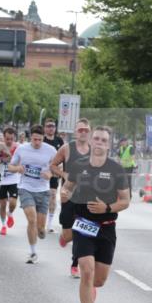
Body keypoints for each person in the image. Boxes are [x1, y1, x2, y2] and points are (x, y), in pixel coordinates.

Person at [62, 125, 130, 303]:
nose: (99, 142)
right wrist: (64, 194)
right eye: (96, 139)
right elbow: (68, 187)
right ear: (90, 141)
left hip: (107, 227)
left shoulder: (116, 169)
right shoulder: (78, 166)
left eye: (103, 140)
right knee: (87, 270)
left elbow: (126, 201)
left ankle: (91, 292)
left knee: (98, 280)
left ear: (108, 145)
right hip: (83, 224)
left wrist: (107, 208)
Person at [8, 124, 57, 263]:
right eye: (35, 139)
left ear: (43, 138)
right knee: (32, 219)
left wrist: (50, 173)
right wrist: (18, 168)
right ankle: (32, 252)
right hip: (25, 188)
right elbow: (10, 167)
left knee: (41, 229)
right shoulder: (22, 149)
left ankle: (41, 232)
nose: (37, 143)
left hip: (43, 191)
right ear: (31, 138)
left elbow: (57, 167)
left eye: (40, 140)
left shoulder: (51, 150)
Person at [50, 118, 91, 277]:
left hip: (87, 196)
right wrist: (64, 174)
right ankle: (64, 237)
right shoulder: (66, 148)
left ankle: (75, 264)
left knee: (82, 231)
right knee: (69, 234)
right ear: (75, 132)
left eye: (86, 130)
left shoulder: (94, 150)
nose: (83, 133)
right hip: (68, 195)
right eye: (80, 130)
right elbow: (52, 166)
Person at [43, 118, 64, 232]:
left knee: (52, 196)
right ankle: (40, 219)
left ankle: (50, 223)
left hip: (54, 173)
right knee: (41, 198)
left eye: (53, 126)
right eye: (48, 126)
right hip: (41, 174)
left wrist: (60, 170)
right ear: (45, 128)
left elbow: (63, 157)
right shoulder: (42, 140)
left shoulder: (59, 140)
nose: (51, 128)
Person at [0, 126, 19, 235]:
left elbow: (20, 161)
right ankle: (3, 225)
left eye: (11, 138)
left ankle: (10, 214)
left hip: (14, 178)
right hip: (2, 180)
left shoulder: (18, 147)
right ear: (4, 137)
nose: (9, 141)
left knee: (13, 202)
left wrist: (7, 159)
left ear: (14, 138)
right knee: (2, 204)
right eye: (7, 138)